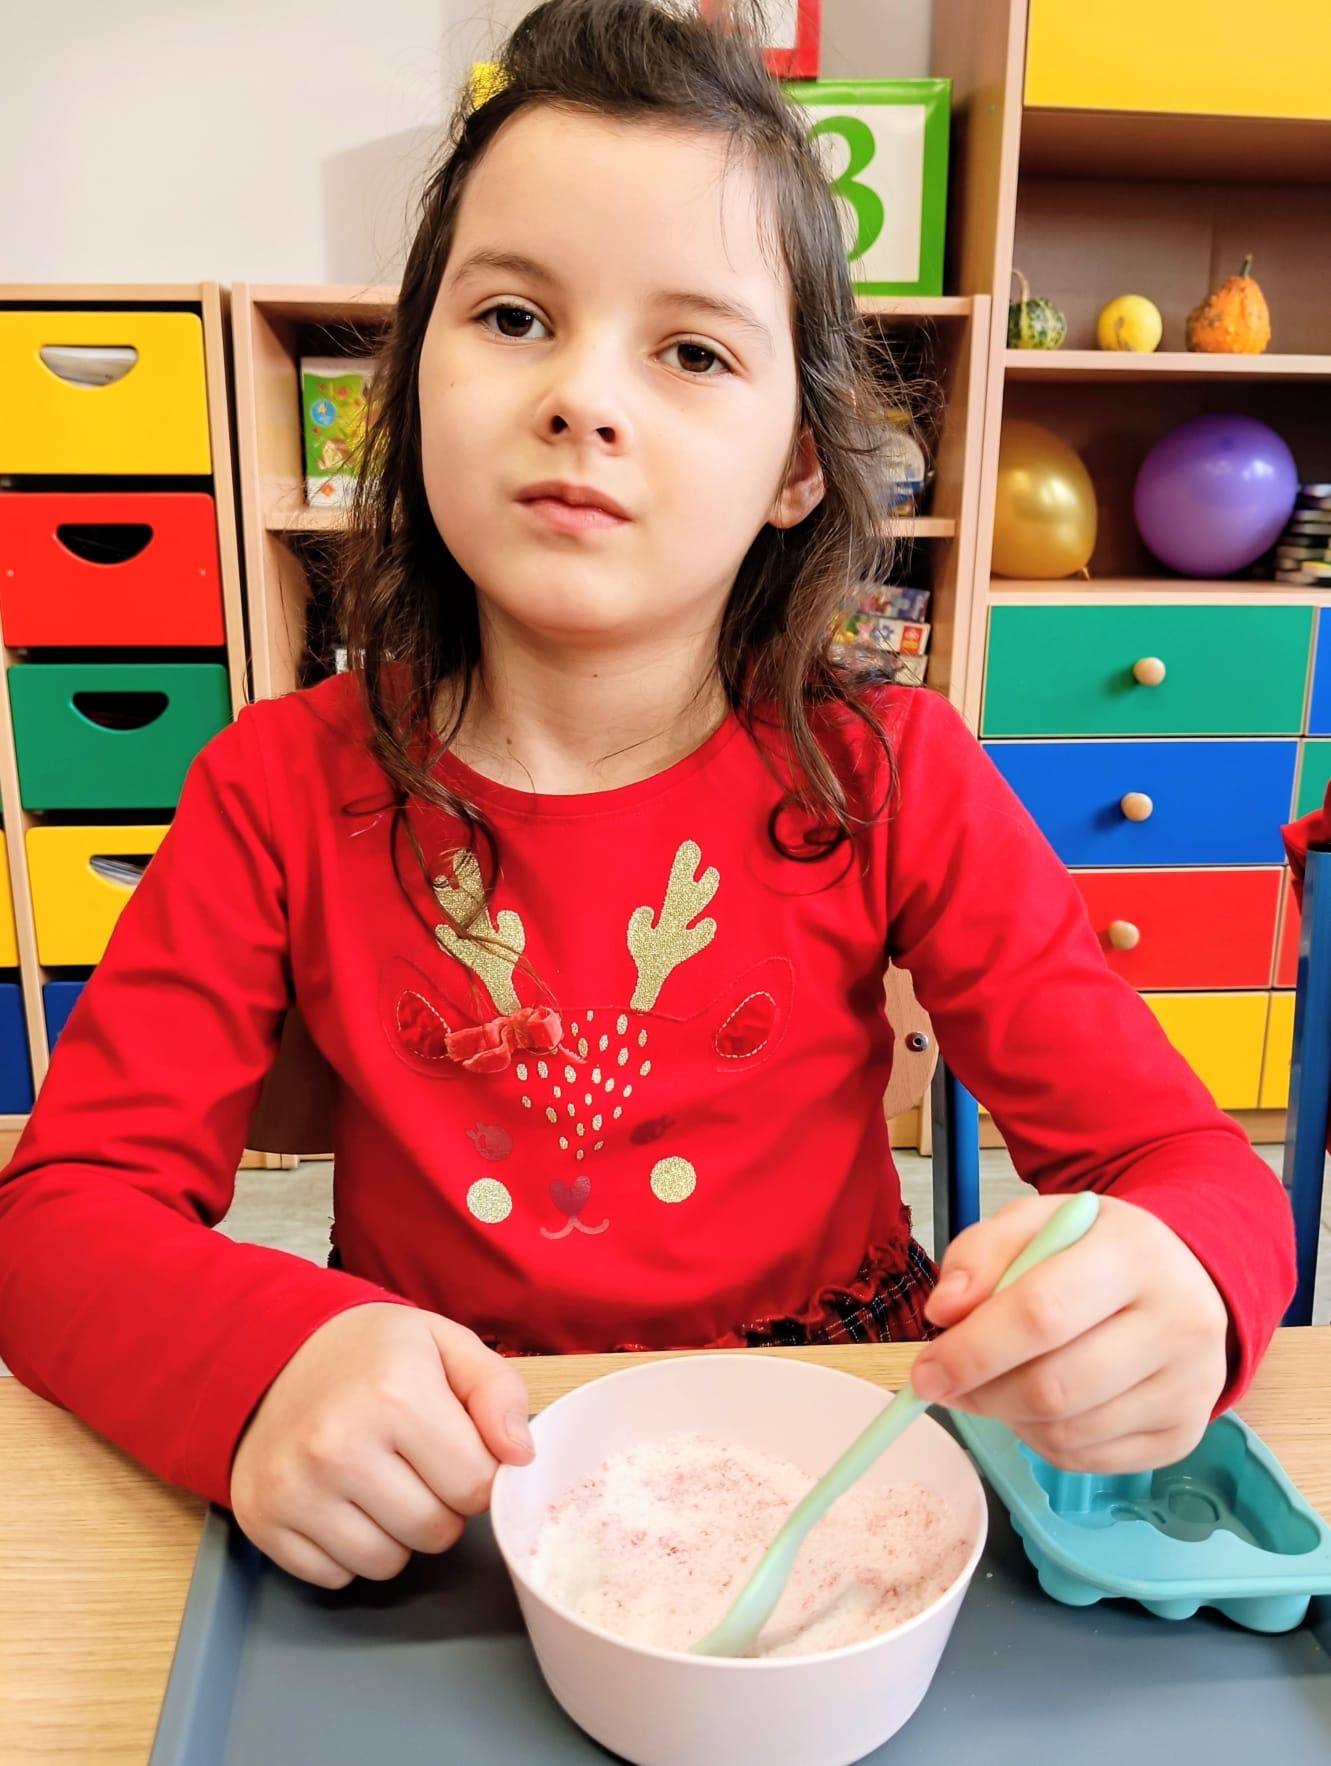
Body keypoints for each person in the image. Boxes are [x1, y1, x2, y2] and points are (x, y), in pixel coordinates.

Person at [0, 0, 1294, 1593]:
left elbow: (1189, 1166)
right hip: (445, 1482)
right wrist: (263, 1363)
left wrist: (1186, 1283)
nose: (584, 398)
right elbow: (60, 1218)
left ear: (801, 464)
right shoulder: (274, 784)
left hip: (836, 1457)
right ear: (410, 381)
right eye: (514, 316)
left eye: (692, 350)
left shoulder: (895, 772)